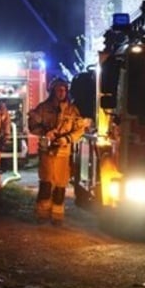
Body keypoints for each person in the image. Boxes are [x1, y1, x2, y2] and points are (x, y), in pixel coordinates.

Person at [27, 78, 85, 224]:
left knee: (60, 184)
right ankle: (42, 214)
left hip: (63, 152)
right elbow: (32, 125)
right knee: (46, 183)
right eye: (59, 89)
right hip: (47, 151)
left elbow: (79, 130)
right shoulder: (43, 108)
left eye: (64, 89)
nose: (61, 92)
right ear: (52, 91)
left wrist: (66, 139)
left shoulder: (72, 110)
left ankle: (57, 215)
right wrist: (45, 133)